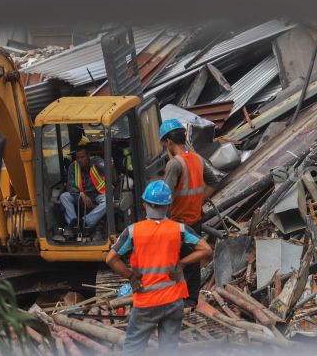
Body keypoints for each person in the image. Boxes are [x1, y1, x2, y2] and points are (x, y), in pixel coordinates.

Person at [106, 180, 211, 355]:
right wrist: (182, 263)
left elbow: (111, 259)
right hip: (173, 300)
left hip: (146, 301)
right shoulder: (179, 229)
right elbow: (206, 249)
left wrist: (131, 276)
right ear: (168, 206)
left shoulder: (133, 231)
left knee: (132, 349)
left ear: (145, 204)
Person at [159, 119, 219, 307]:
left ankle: (176, 300)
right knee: (192, 263)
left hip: (179, 221)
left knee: (174, 263)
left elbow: (164, 197)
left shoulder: (174, 165)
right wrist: (197, 201)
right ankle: (191, 300)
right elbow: (213, 181)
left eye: (164, 144)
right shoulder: (197, 159)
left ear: (168, 142)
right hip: (195, 219)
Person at [59, 145, 107, 240]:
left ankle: (85, 222)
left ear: (88, 155)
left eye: (82, 157)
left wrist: (108, 164)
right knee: (64, 196)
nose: (80, 160)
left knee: (108, 200)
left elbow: (104, 166)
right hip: (81, 195)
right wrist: (80, 195)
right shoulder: (73, 166)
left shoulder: (97, 162)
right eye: (78, 157)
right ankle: (74, 223)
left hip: (97, 195)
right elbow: (71, 186)